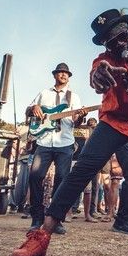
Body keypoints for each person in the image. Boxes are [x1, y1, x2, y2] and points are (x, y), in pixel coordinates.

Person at [11, 8, 128, 256]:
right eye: (113, 42)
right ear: (105, 44)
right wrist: (101, 75)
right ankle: (42, 235)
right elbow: (96, 78)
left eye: (123, 36)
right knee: (83, 169)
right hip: (115, 121)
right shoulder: (102, 60)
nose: (121, 44)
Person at [25, 63, 85, 233]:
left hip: (65, 142)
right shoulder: (44, 93)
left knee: (62, 179)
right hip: (43, 140)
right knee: (35, 176)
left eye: (66, 73)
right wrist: (34, 107)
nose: (64, 75)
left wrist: (80, 116)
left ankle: (55, 219)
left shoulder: (74, 97)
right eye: (61, 72)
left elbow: (76, 121)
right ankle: (37, 218)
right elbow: (29, 109)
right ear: (55, 75)